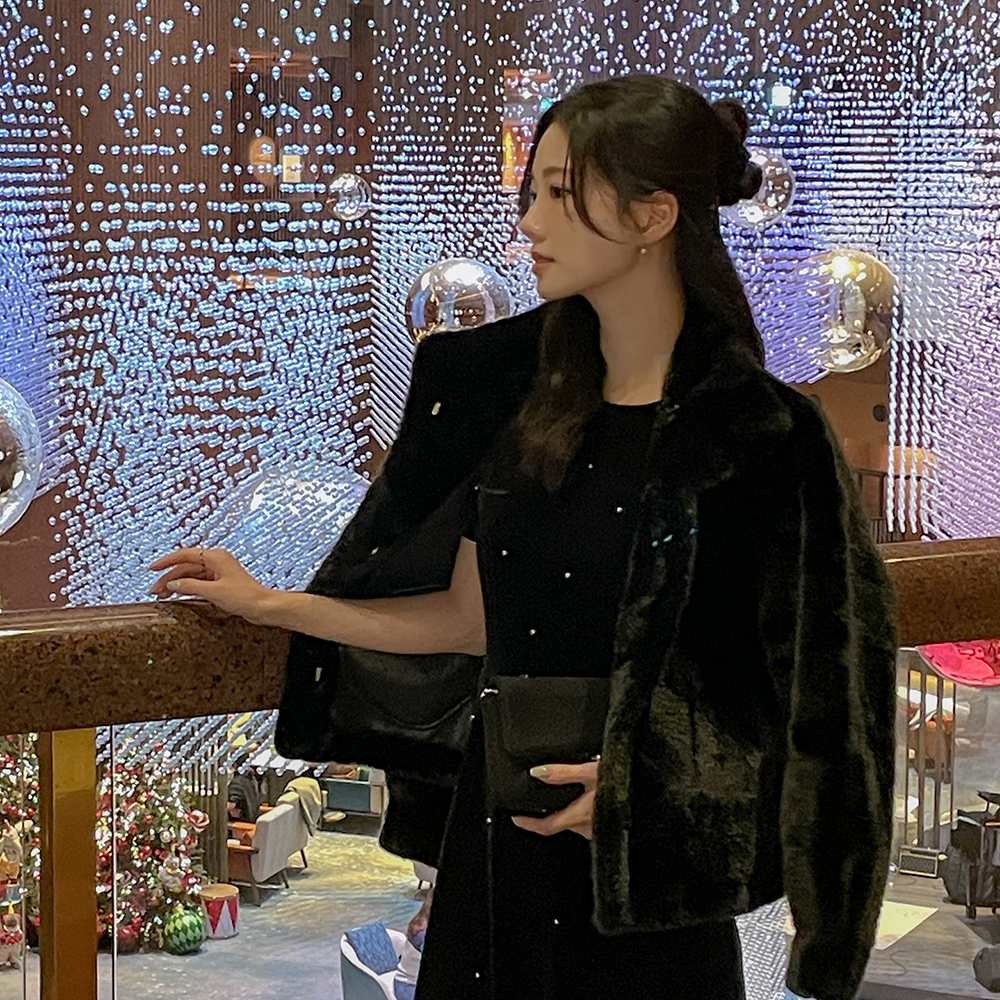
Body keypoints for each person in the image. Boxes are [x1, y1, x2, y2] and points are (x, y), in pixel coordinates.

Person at [150, 74, 897, 1000]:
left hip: (643, 902)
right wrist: (272, 604)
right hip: (495, 865)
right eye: (530, 193)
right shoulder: (530, 415)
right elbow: (467, 621)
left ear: (653, 214)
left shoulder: (761, 437)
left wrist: (654, 797)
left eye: (558, 192)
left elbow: (828, 704)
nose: (530, 223)